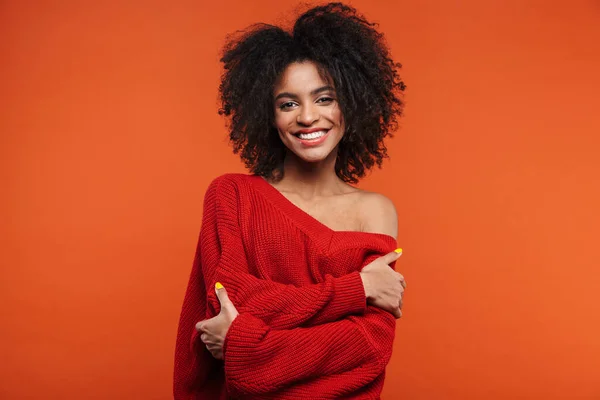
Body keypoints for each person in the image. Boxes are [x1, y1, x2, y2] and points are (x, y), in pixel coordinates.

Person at [173, 3, 407, 399]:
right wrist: (357, 288)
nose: (307, 117)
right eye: (288, 103)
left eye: (324, 98)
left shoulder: (376, 210)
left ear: (351, 103)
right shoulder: (231, 194)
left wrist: (244, 343)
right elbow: (231, 299)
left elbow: (368, 347)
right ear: (269, 116)